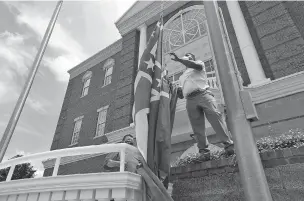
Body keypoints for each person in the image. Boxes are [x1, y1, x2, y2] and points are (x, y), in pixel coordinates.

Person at [169, 52, 234, 160]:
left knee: (215, 117)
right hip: (190, 100)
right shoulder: (181, 77)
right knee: (197, 127)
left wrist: (180, 59)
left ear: (192, 58)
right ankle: (204, 152)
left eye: (189, 55)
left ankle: (229, 145)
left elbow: (195, 65)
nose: (186, 56)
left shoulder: (198, 64)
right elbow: (181, 95)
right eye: (185, 55)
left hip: (203, 95)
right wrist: (173, 88)